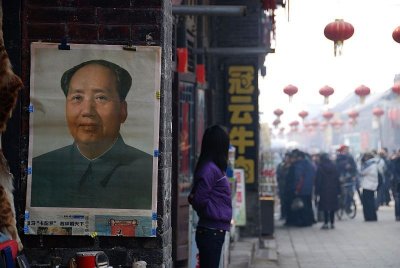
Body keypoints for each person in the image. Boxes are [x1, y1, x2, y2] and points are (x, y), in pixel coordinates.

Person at [31, 59, 153, 209]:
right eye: (77, 98)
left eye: (101, 98)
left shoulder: (148, 171)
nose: (87, 111)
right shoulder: (40, 169)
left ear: (123, 110)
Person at [188, 125, 232, 268]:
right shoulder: (210, 169)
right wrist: (212, 211)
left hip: (212, 231)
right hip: (210, 232)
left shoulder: (212, 168)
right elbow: (199, 200)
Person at [315, 153, 341, 229]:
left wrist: (317, 191)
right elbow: (337, 179)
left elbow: (318, 181)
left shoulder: (320, 168)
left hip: (324, 190)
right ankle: (332, 223)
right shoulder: (334, 167)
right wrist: (339, 190)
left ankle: (326, 222)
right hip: (333, 189)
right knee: (332, 206)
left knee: (325, 207)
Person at [359, 152, 379, 221]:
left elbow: (362, 172)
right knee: (371, 202)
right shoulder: (374, 164)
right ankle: (372, 217)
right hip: (372, 186)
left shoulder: (369, 165)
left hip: (367, 186)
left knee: (367, 203)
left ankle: (369, 217)